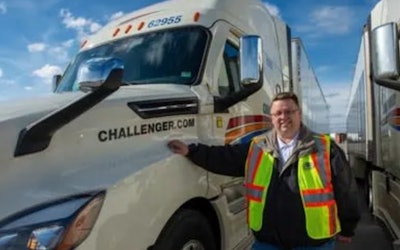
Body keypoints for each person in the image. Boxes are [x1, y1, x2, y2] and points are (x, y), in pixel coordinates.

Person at [168, 92, 360, 250]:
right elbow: (224, 158)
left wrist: (348, 227)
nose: (283, 117)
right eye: (277, 114)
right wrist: (191, 151)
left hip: (313, 242)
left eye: (288, 112)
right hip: (268, 241)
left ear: (299, 114)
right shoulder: (257, 146)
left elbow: (346, 189)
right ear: (272, 118)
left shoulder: (325, 147)